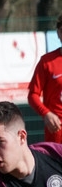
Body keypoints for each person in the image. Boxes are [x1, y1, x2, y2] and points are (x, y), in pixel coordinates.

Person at [27, 13, 62, 144]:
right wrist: (46, 114)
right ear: (58, 33)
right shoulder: (47, 62)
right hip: (57, 130)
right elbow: (33, 95)